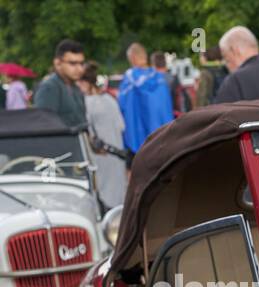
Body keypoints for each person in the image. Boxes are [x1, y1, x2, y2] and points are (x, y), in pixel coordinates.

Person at [77, 62, 127, 207]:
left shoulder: (87, 103)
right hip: (117, 153)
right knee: (119, 192)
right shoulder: (110, 99)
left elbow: (89, 134)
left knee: (104, 195)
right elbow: (122, 126)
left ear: (84, 83)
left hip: (100, 155)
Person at [118, 43, 172, 152]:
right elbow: (166, 108)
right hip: (161, 139)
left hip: (137, 141)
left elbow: (121, 106)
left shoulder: (129, 79)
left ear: (132, 58)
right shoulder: (160, 80)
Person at [32, 39, 86, 129]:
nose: (80, 69)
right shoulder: (49, 88)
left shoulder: (75, 87)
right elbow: (44, 127)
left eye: (81, 63)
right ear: (58, 63)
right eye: (73, 63)